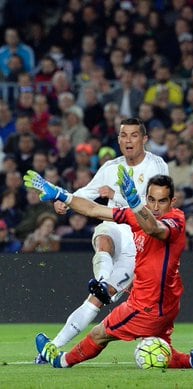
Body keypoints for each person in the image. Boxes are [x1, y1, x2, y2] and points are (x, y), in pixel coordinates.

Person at [25, 169, 193, 370]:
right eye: (151, 200)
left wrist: (135, 202)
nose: (155, 207)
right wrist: (61, 194)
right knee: (159, 349)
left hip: (147, 306)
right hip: (165, 303)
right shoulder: (136, 214)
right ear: (147, 198)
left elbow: (155, 229)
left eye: (162, 201)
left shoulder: (176, 220)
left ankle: (60, 361)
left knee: (99, 334)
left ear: (173, 202)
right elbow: (93, 209)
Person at [34, 117, 169, 364]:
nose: (128, 140)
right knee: (104, 234)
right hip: (117, 226)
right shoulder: (110, 167)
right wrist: (65, 199)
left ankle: (54, 346)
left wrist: (116, 194)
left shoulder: (156, 165)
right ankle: (101, 280)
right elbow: (88, 192)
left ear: (144, 139)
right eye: (123, 135)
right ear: (118, 139)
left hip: (140, 241)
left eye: (134, 135)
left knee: (97, 300)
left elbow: (155, 206)